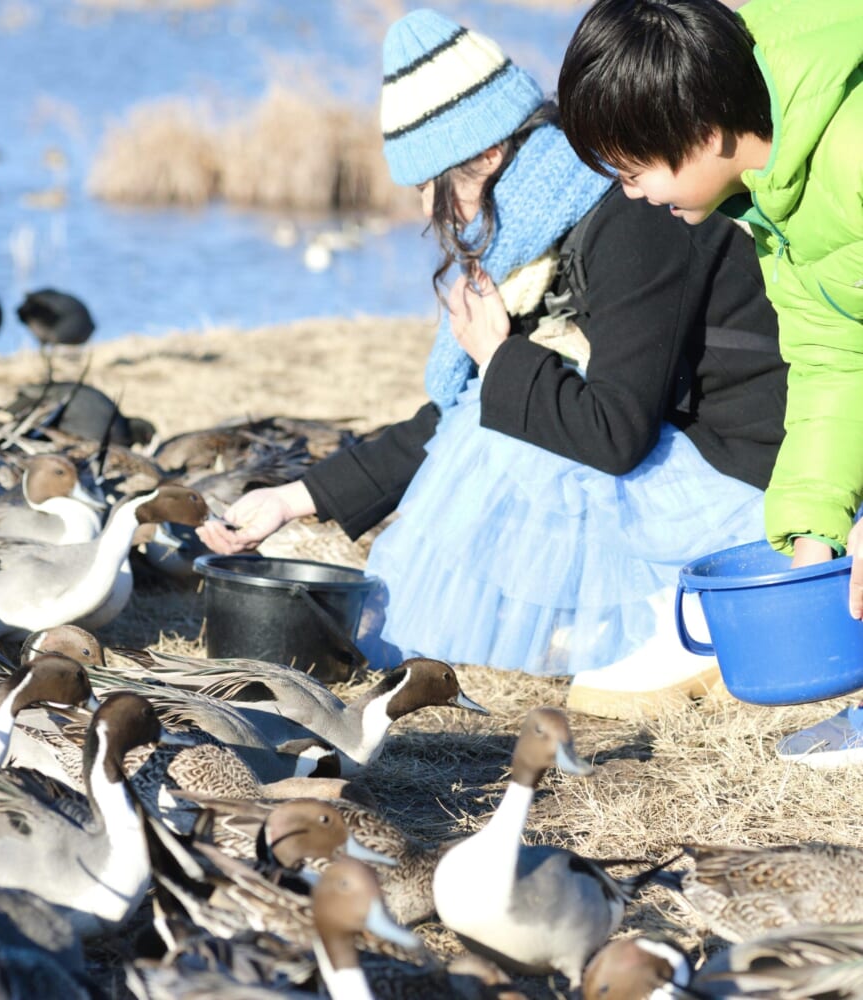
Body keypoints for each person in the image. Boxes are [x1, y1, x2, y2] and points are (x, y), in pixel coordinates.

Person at [198, 8, 788, 720]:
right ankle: (638, 609)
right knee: (496, 414)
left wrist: (501, 355)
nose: (426, 205)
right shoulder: (553, 225)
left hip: (748, 480)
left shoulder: (636, 217)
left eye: (430, 180)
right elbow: (464, 409)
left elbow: (615, 434)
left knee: (506, 428)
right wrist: (297, 497)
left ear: (485, 155)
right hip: (700, 453)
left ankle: (685, 603)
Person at [556, 0, 863, 755]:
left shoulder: (852, 149)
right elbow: (835, 358)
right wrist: (812, 530)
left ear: (699, 127)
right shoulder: (776, 200)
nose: (628, 193)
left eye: (633, 169)